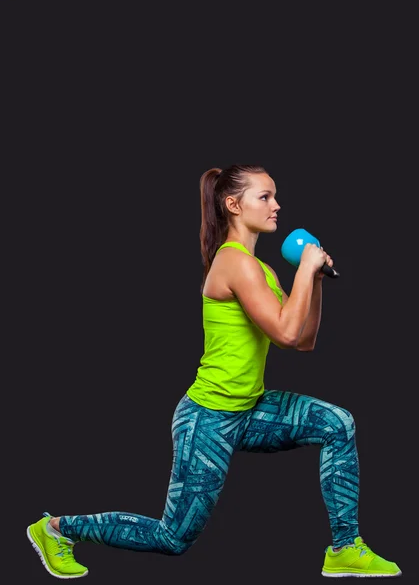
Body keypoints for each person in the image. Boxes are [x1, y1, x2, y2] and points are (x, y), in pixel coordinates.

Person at [27, 164, 401, 579]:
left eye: (275, 196)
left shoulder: (263, 271)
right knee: (173, 538)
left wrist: (313, 282)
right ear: (233, 205)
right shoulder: (233, 263)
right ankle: (56, 528)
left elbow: (303, 340)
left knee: (338, 423)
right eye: (265, 197)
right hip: (207, 419)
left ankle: (345, 547)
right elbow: (285, 330)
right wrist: (305, 271)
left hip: (250, 411)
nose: (277, 205)